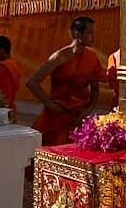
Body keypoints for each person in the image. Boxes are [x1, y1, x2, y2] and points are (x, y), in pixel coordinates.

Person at [25, 16, 106, 145]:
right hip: (56, 116)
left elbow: (95, 90)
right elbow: (32, 82)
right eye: (90, 33)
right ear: (77, 34)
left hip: (78, 116)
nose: (93, 37)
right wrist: (50, 105)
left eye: (94, 33)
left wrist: (87, 111)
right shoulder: (60, 56)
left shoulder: (92, 57)